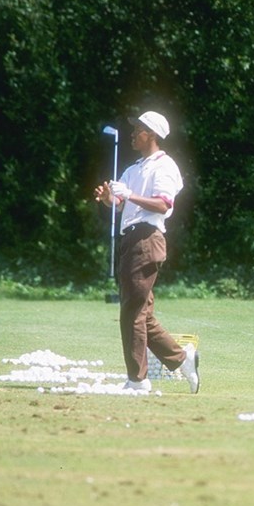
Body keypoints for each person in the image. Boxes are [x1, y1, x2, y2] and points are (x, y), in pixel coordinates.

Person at [93, 110, 199, 394]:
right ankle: (181, 358)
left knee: (131, 311)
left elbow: (163, 204)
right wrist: (110, 200)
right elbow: (123, 206)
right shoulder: (133, 168)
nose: (132, 134)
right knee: (141, 313)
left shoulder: (165, 166)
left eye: (137, 129)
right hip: (130, 239)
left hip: (147, 238)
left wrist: (128, 195)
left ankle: (138, 380)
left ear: (151, 134)